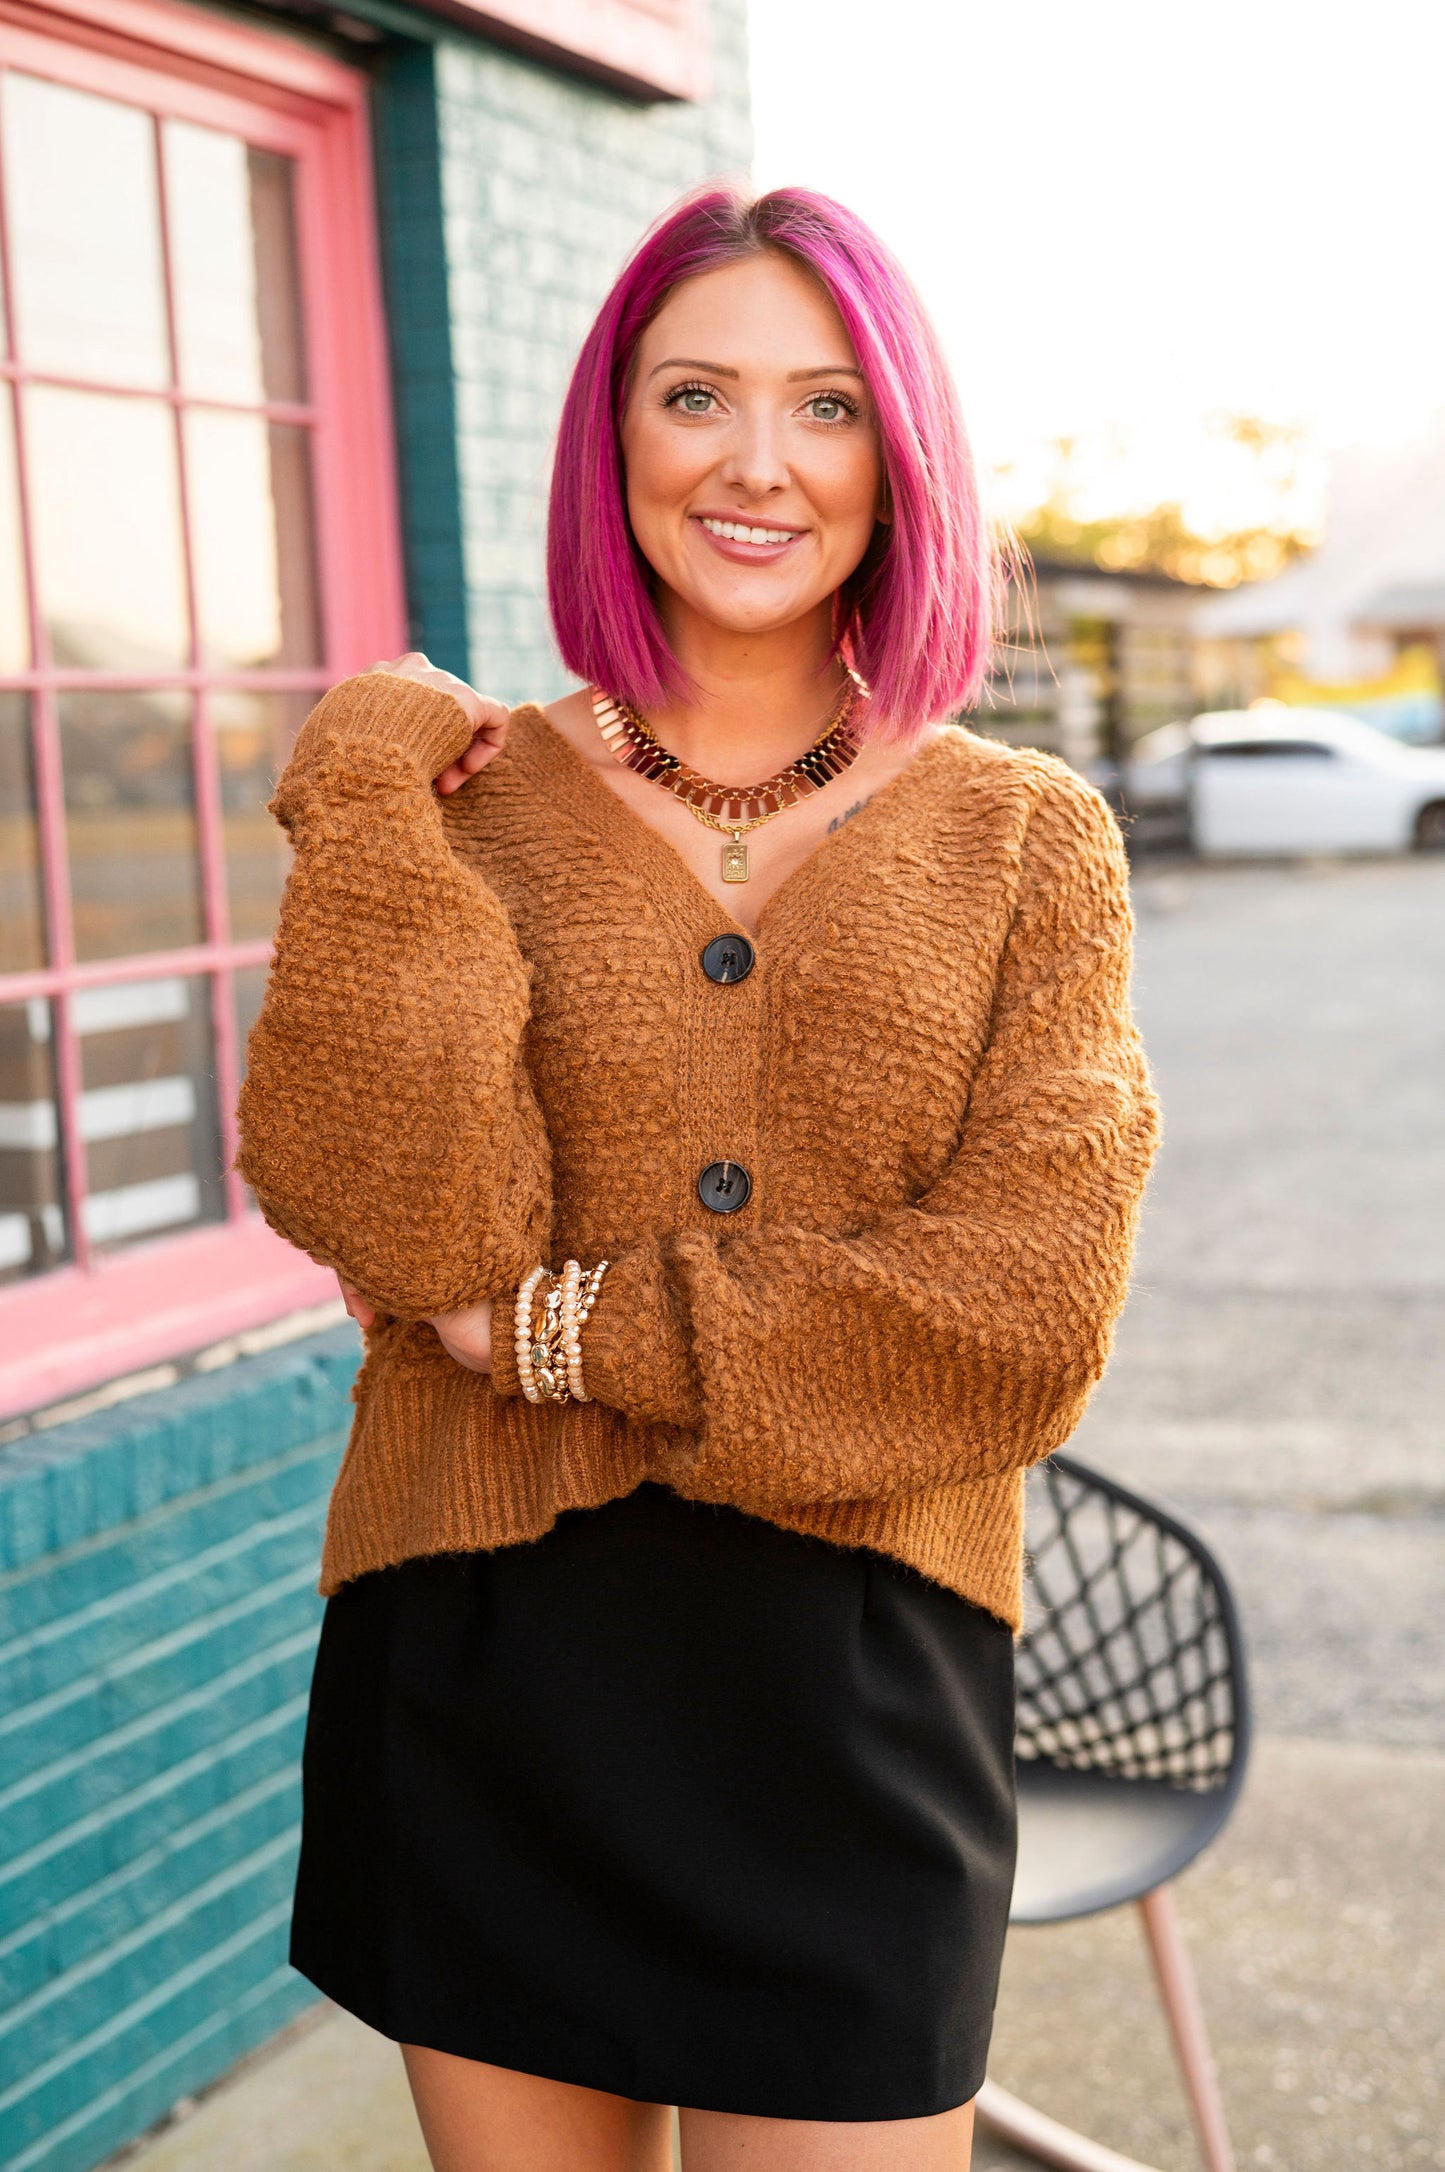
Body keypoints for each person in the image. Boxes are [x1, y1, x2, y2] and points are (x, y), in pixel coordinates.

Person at [236, 185, 1160, 2172]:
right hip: (484, 1642)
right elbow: (396, 1225)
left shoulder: (1028, 843)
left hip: (860, 1678)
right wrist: (367, 799)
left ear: (897, 457)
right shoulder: (463, 804)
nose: (758, 464)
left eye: (827, 406)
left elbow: (1016, 1323)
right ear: (614, 438)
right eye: (695, 396)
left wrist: (556, 1324)